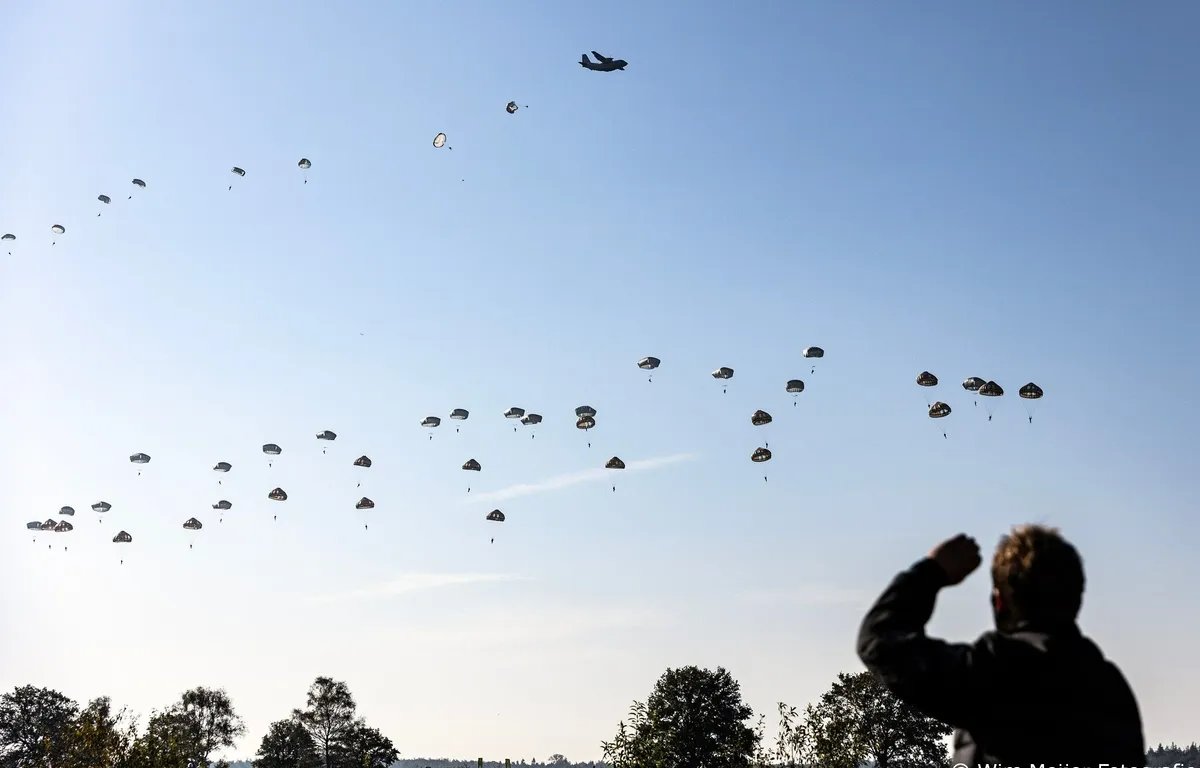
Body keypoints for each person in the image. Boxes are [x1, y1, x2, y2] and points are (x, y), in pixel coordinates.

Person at [857, 525, 1144, 765]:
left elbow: (879, 639)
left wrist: (933, 570)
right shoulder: (1112, 692)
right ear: (1076, 600)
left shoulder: (991, 671)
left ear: (999, 602)